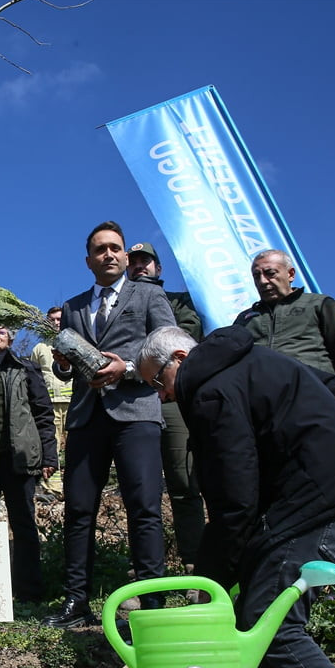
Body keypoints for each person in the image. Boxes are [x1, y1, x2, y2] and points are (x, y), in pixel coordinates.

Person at [137, 324, 335, 668]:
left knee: (270, 624)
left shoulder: (211, 392)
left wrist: (210, 579)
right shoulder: (256, 358)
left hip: (321, 506)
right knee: (255, 615)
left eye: (158, 382)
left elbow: (234, 499)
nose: (162, 396)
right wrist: (334, 448)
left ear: (180, 358)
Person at [44, 221, 176, 629]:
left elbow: (169, 347)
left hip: (136, 413)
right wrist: (63, 364)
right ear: (89, 260)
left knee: (145, 508)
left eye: (115, 248)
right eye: (100, 249)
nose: (109, 255)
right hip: (86, 418)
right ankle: (76, 600)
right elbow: (66, 371)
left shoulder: (149, 295)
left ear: (124, 255)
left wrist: (129, 368)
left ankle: (152, 603)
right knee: (79, 510)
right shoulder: (73, 306)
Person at [127, 242, 206, 570]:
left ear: (158, 268)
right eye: (134, 262)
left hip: (172, 396)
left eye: (146, 261)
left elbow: (186, 338)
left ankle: (194, 564)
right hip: (132, 399)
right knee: (140, 490)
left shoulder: (179, 302)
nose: (139, 266)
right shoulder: (119, 305)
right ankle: (144, 567)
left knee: (184, 483)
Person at [234, 249, 335, 431]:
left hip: (316, 395)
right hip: (262, 406)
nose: (263, 281)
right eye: (256, 276)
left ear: (291, 274)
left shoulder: (318, 304)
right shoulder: (245, 319)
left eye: (270, 273)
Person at [0, 320, 57, 602]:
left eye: (1, 331)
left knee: (22, 522)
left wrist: (49, 455)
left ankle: (29, 593)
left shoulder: (25, 368)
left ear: (10, 338)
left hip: (18, 456)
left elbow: (43, 413)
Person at [29, 307, 70, 496]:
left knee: (74, 445)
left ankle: (74, 486)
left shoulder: (74, 343)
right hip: (49, 404)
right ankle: (52, 488)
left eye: (59, 319)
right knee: (51, 445)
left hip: (73, 402)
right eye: (52, 319)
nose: (55, 323)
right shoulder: (39, 348)